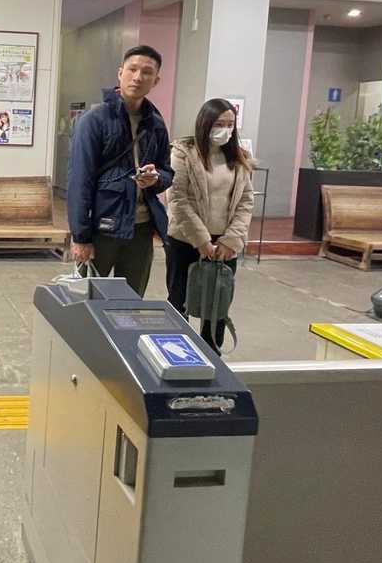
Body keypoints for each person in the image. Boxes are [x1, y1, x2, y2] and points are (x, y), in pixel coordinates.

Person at [66, 45, 173, 295]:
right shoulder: (95, 120)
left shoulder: (156, 123)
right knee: (87, 301)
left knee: (131, 300)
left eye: (147, 72)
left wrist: (156, 178)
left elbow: (167, 173)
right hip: (102, 228)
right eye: (132, 69)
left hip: (141, 229)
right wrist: (80, 237)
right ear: (120, 73)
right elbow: (79, 181)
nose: (138, 77)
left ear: (156, 80)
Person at [164, 98, 255, 351]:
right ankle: (176, 354)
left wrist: (231, 240)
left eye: (230, 124)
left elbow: (246, 201)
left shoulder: (239, 158)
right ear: (205, 123)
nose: (225, 130)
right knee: (179, 301)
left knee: (217, 307)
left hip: (225, 245)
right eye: (219, 124)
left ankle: (212, 355)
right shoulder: (183, 153)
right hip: (185, 241)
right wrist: (202, 240)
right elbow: (177, 199)